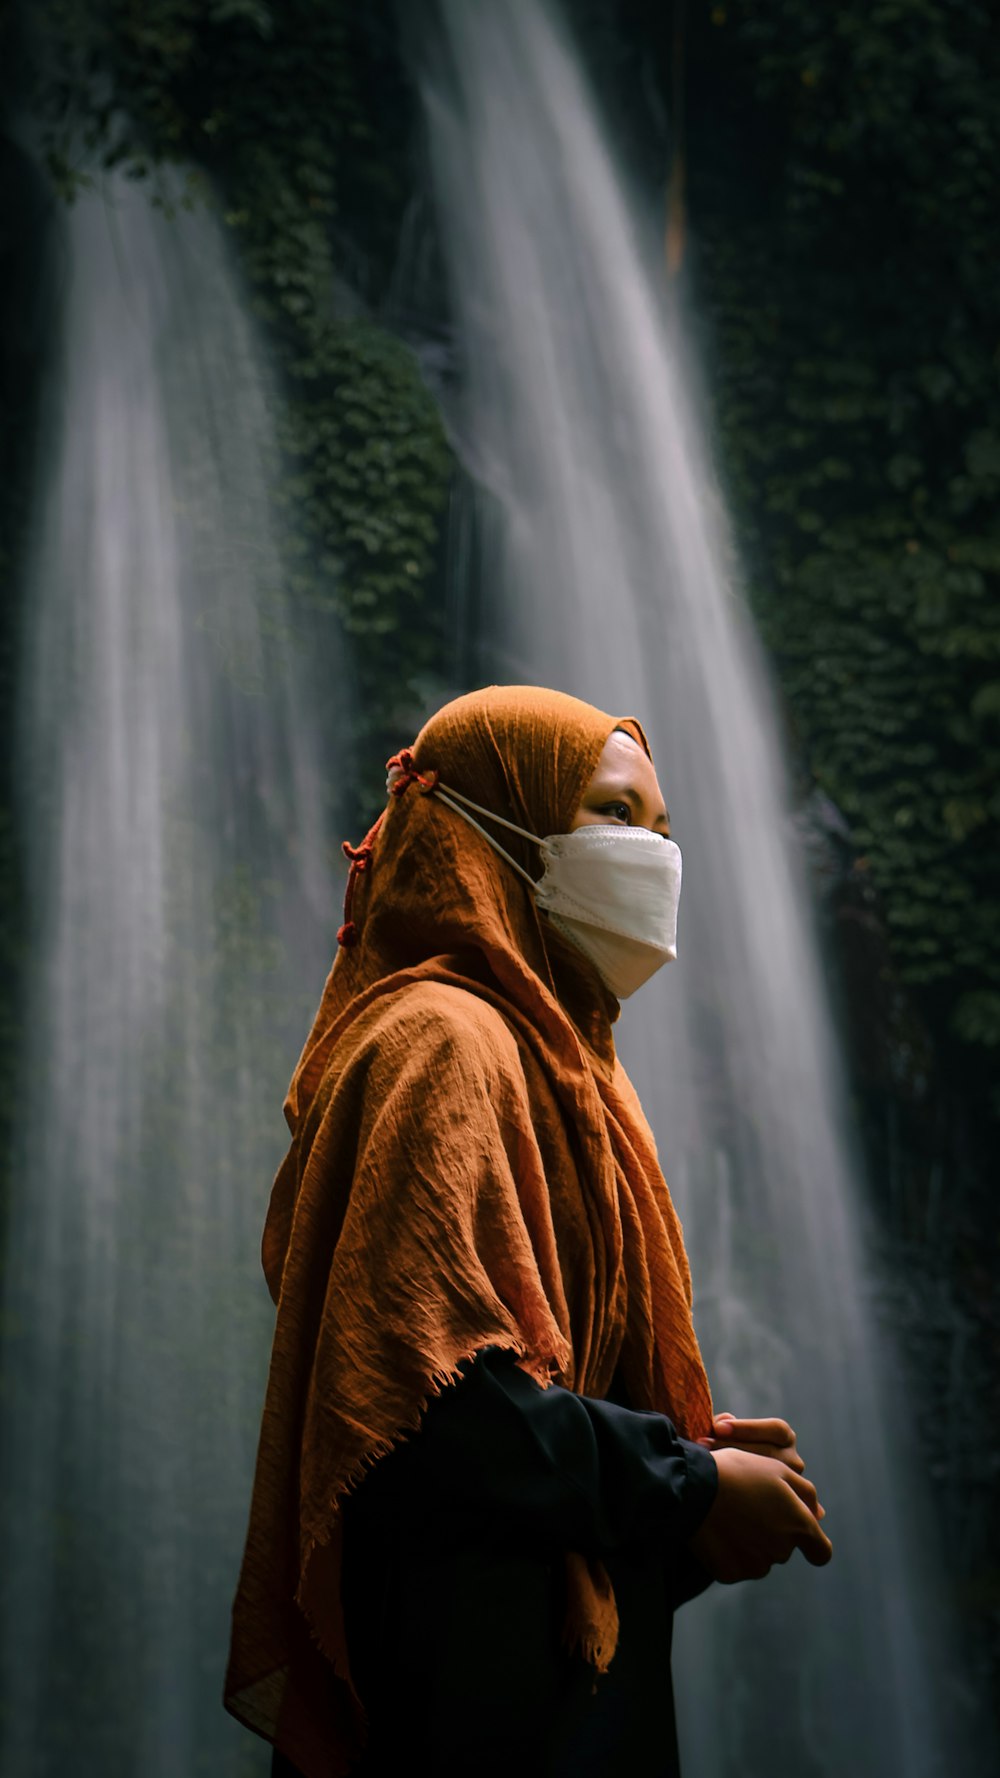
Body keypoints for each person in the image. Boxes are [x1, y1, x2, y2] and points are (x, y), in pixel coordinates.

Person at [223, 684, 832, 1778]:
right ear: (489, 825)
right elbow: (430, 1401)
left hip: (553, 1696)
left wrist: (693, 1468)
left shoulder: (573, 1070)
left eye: (661, 827)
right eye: (610, 813)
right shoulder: (440, 1041)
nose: (651, 853)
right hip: (463, 1716)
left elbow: (531, 1411)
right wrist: (682, 1484)